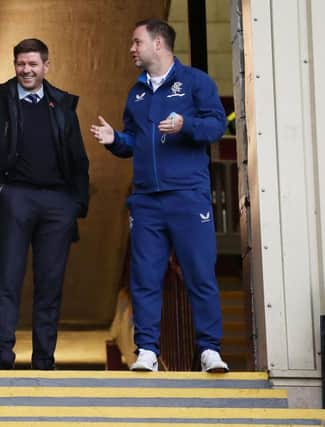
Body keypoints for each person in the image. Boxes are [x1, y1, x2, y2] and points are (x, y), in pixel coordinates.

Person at [90, 19, 229, 373]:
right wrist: (115, 140)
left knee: (200, 273)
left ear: (158, 44)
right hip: (147, 201)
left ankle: (209, 350)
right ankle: (147, 351)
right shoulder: (136, 93)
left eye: (137, 42)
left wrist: (187, 125)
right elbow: (134, 143)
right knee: (145, 277)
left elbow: (217, 126)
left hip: (188, 195)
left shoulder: (196, 82)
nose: (132, 49)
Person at [0, 39, 89, 370]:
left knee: (49, 287)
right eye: (20, 64)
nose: (26, 70)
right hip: (14, 198)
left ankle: (44, 362)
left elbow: (78, 159)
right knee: (7, 283)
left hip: (58, 204)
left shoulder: (63, 105)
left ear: (46, 66)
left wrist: (75, 204)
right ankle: (2, 359)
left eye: (33, 64)